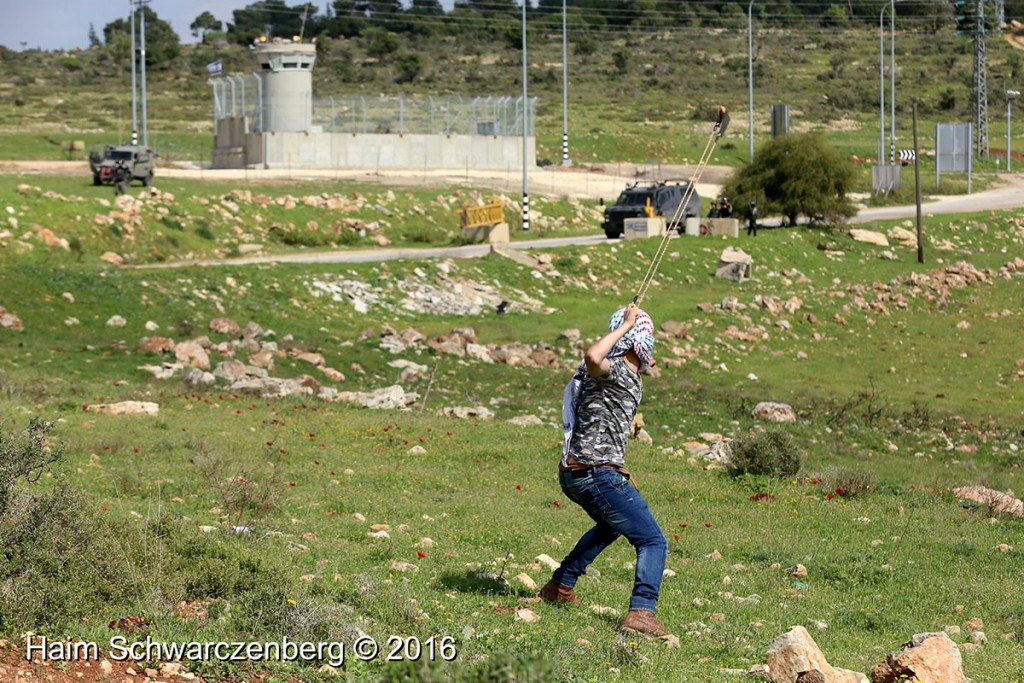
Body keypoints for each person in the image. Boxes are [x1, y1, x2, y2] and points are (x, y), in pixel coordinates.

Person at [539, 303, 672, 639]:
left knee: (611, 525)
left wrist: (620, 471)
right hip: (595, 473)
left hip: (581, 473)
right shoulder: (611, 368)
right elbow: (592, 356)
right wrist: (628, 325)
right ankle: (642, 612)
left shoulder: (626, 376)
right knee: (653, 540)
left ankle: (560, 586)